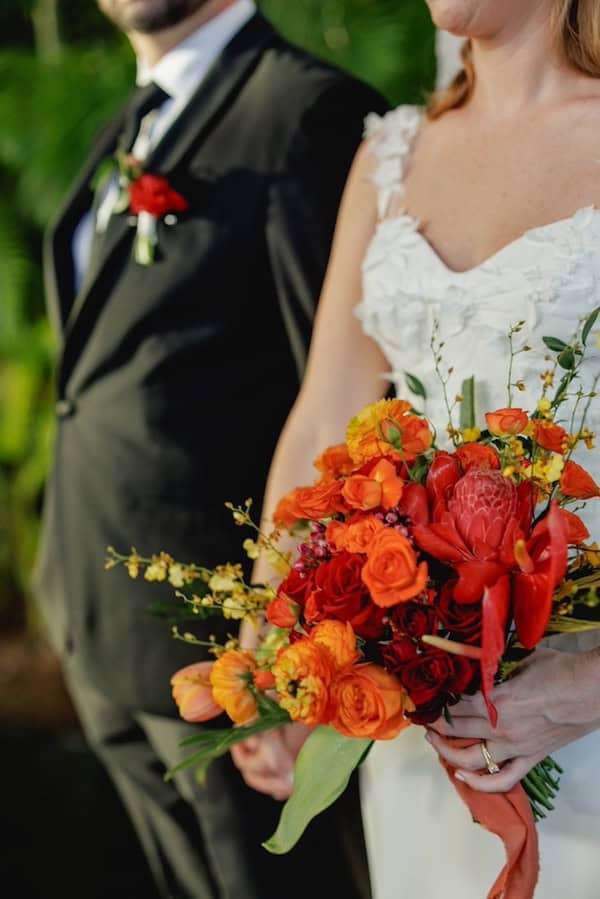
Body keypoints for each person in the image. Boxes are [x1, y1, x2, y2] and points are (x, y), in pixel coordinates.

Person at [231, 1, 600, 896]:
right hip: (418, 710)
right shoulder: (389, 152)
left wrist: (584, 687)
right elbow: (326, 416)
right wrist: (267, 639)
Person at [33, 1, 389, 897]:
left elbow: (348, 410)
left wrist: (294, 641)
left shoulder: (310, 113)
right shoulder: (133, 120)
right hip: (97, 628)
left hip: (233, 666)